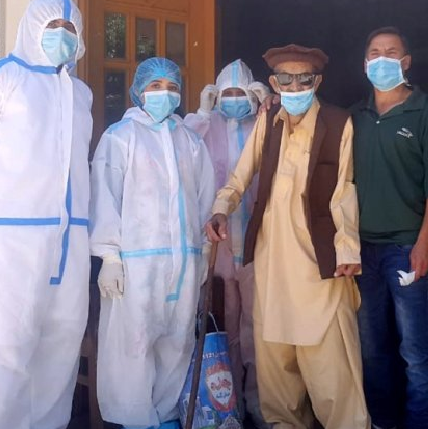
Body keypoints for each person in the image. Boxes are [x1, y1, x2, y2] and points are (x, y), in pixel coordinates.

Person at [0, 0, 92, 429]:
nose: (62, 37)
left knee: (58, 351)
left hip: (70, 242)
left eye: (70, 29)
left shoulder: (79, 92)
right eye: (53, 28)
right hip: (8, 240)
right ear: (32, 28)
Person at [206, 44, 370, 429]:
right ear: (273, 84)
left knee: (331, 364)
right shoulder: (270, 120)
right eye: (286, 79)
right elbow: (240, 176)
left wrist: (347, 248)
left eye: (304, 79)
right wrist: (221, 208)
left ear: (318, 82)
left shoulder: (338, 122)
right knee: (275, 360)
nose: (295, 86)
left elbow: (345, 189)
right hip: (272, 258)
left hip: (321, 262)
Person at [89, 57, 215, 429]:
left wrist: (204, 250)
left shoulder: (190, 141)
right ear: (138, 91)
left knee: (177, 344)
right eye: (155, 86)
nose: (164, 93)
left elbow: (204, 197)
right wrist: (109, 256)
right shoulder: (120, 137)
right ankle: (136, 420)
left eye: (172, 87)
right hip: (136, 265)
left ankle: (167, 417)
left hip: (185, 262)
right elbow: (104, 197)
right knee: (134, 346)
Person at [351, 27, 428, 429]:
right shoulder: (354, 117)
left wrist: (425, 243)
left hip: (408, 247)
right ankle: (381, 420)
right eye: (374, 52)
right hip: (362, 251)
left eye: (391, 52)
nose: (381, 59)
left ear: (406, 62)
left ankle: (421, 421)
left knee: (416, 348)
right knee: (372, 347)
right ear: (364, 63)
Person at [183, 59, 271, 427]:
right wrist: (202, 112)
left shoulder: (261, 124)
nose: (234, 100)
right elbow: (184, 145)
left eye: (241, 93)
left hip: (255, 239)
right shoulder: (207, 126)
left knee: (257, 326)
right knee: (225, 320)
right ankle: (225, 399)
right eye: (227, 93)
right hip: (217, 241)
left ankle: (258, 403)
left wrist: (270, 107)